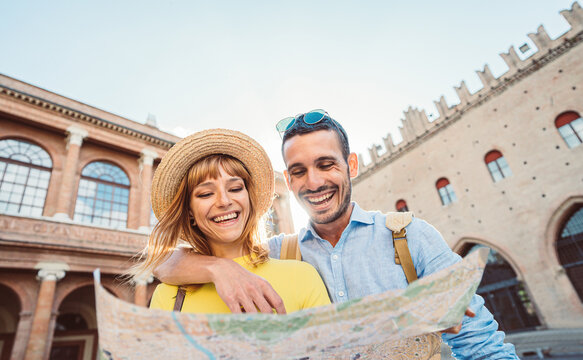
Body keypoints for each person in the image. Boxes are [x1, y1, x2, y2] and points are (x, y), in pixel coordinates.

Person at [153, 111, 519, 358]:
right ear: (289, 179)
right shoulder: (280, 255)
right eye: (298, 171)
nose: (313, 182)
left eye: (326, 165)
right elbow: (166, 263)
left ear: (352, 165)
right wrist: (221, 270)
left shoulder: (410, 237)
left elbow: (481, 343)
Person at [134, 128, 330, 313]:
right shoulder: (168, 294)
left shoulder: (303, 277)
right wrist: (217, 268)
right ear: (190, 213)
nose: (224, 201)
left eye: (235, 189)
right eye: (205, 194)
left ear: (250, 200)